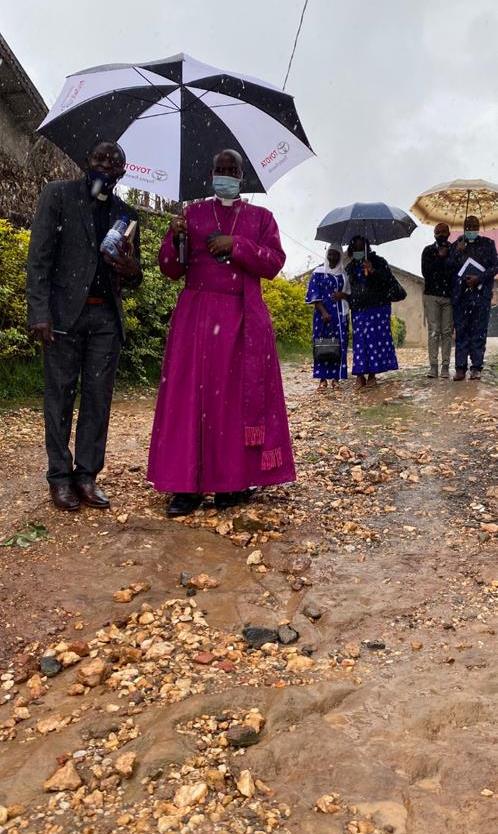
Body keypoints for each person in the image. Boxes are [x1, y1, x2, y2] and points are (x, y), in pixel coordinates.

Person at [148, 149, 296, 517]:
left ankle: (232, 482)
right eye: (219, 170)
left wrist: (237, 246)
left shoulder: (262, 218)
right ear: (210, 174)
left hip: (243, 319)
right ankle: (186, 485)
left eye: (232, 170)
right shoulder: (192, 214)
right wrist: (174, 237)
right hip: (196, 320)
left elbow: (274, 263)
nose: (225, 175)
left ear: (242, 176)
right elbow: (170, 268)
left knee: (233, 403)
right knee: (191, 400)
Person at [26, 141, 142, 511]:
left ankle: (87, 476)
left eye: (115, 162)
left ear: (122, 173)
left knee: (97, 399)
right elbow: (39, 258)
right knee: (59, 397)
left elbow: (135, 276)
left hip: (105, 317)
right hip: (62, 316)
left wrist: (131, 269)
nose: (106, 165)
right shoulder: (58, 196)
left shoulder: (126, 214)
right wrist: (39, 312)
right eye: (99, 158)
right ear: (86, 162)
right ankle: (59, 478)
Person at [346, 236, 402, 387]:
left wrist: (373, 271)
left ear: (367, 248)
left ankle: (372, 374)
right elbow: (348, 288)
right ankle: (359, 375)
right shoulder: (350, 267)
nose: (358, 251)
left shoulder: (379, 262)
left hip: (378, 307)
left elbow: (387, 281)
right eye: (355, 248)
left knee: (374, 341)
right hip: (359, 308)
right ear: (352, 250)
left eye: (361, 248)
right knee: (360, 341)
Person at [448, 216, 498, 381]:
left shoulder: (488, 244)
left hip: (481, 296)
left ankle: (476, 367)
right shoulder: (457, 244)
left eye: (474, 226)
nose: (471, 229)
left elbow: (495, 267)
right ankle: (460, 368)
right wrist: (457, 252)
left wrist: (479, 278)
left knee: (479, 332)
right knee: (461, 332)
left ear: (479, 227)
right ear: (463, 228)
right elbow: (448, 268)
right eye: (468, 227)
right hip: (461, 297)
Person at [305, 246, 350, 391]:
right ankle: (322, 379)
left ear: (340, 257)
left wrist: (341, 295)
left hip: (340, 315)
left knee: (339, 346)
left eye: (335, 254)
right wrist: (323, 312)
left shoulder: (343, 274)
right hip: (322, 315)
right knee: (322, 346)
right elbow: (313, 295)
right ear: (326, 255)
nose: (332, 256)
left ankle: (336, 379)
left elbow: (348, 293)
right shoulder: (318, 273)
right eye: (330, 253)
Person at [421, 222, 453, 378]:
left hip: (449, 297)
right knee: (434, 331)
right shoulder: (428, 251)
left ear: (449, 233)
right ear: (434, 234)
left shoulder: (454, 250)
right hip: (431, 296)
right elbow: (426, 272)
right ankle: (433, 366)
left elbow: (455, 272)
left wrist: (448, 256)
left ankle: (445, 366)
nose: (441, 234)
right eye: (437, 232)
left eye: (443, 231)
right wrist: (439, 258)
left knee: (447, 332)